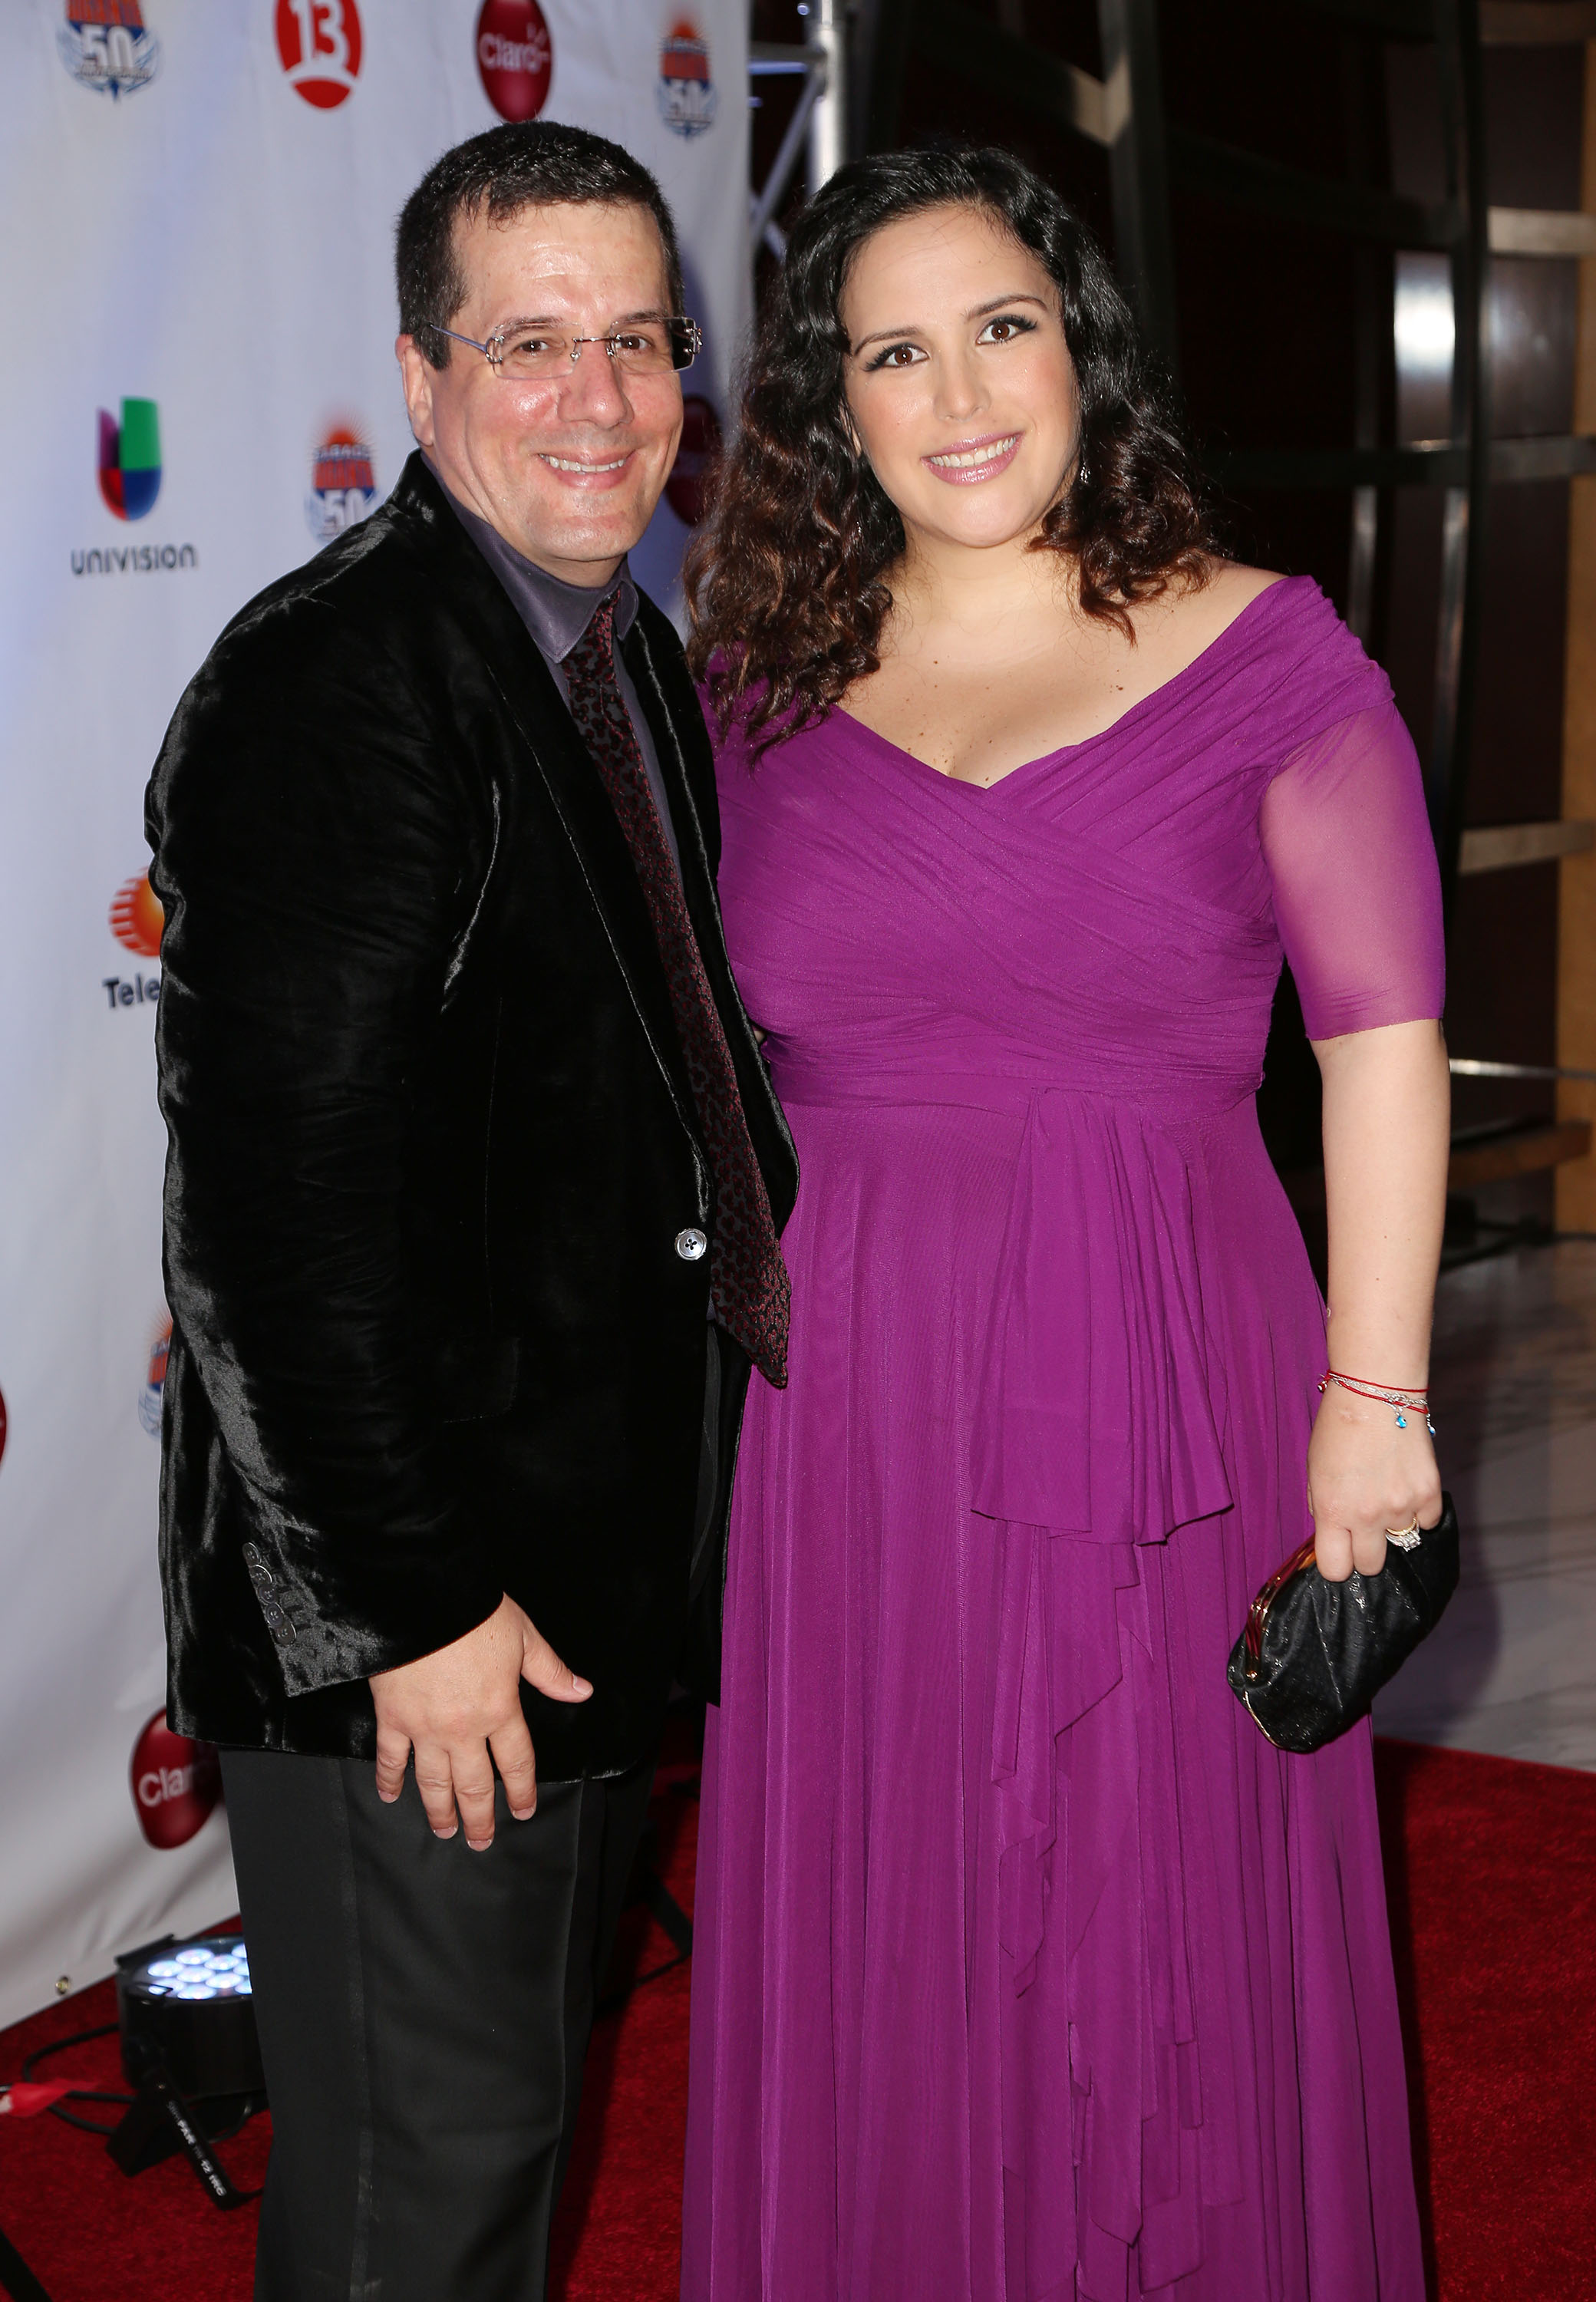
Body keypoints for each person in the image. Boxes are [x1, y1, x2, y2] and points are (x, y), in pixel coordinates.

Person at [681, 146, 1445, 2302]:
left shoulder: (1265, 655)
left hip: (1175, 1366)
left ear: (1083, 351)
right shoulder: (749, 693)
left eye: (1002, 324)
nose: (960, 393)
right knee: (901, 1898)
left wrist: (1375, 1403)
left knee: (1165, 1903)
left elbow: (1382, 1036)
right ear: (838, 409)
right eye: (892, 353)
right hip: (864, 1413)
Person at [146, 121, 794, 2302]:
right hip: (412, 1633)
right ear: (419, 387)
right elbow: (271, 1220)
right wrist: (412, 1612)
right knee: (418, 2205)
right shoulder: (346, 682)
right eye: (531, 345)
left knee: (495, 2149)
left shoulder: (610, 653)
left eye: (637, 339)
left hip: (567, 1583)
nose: (598, 399)